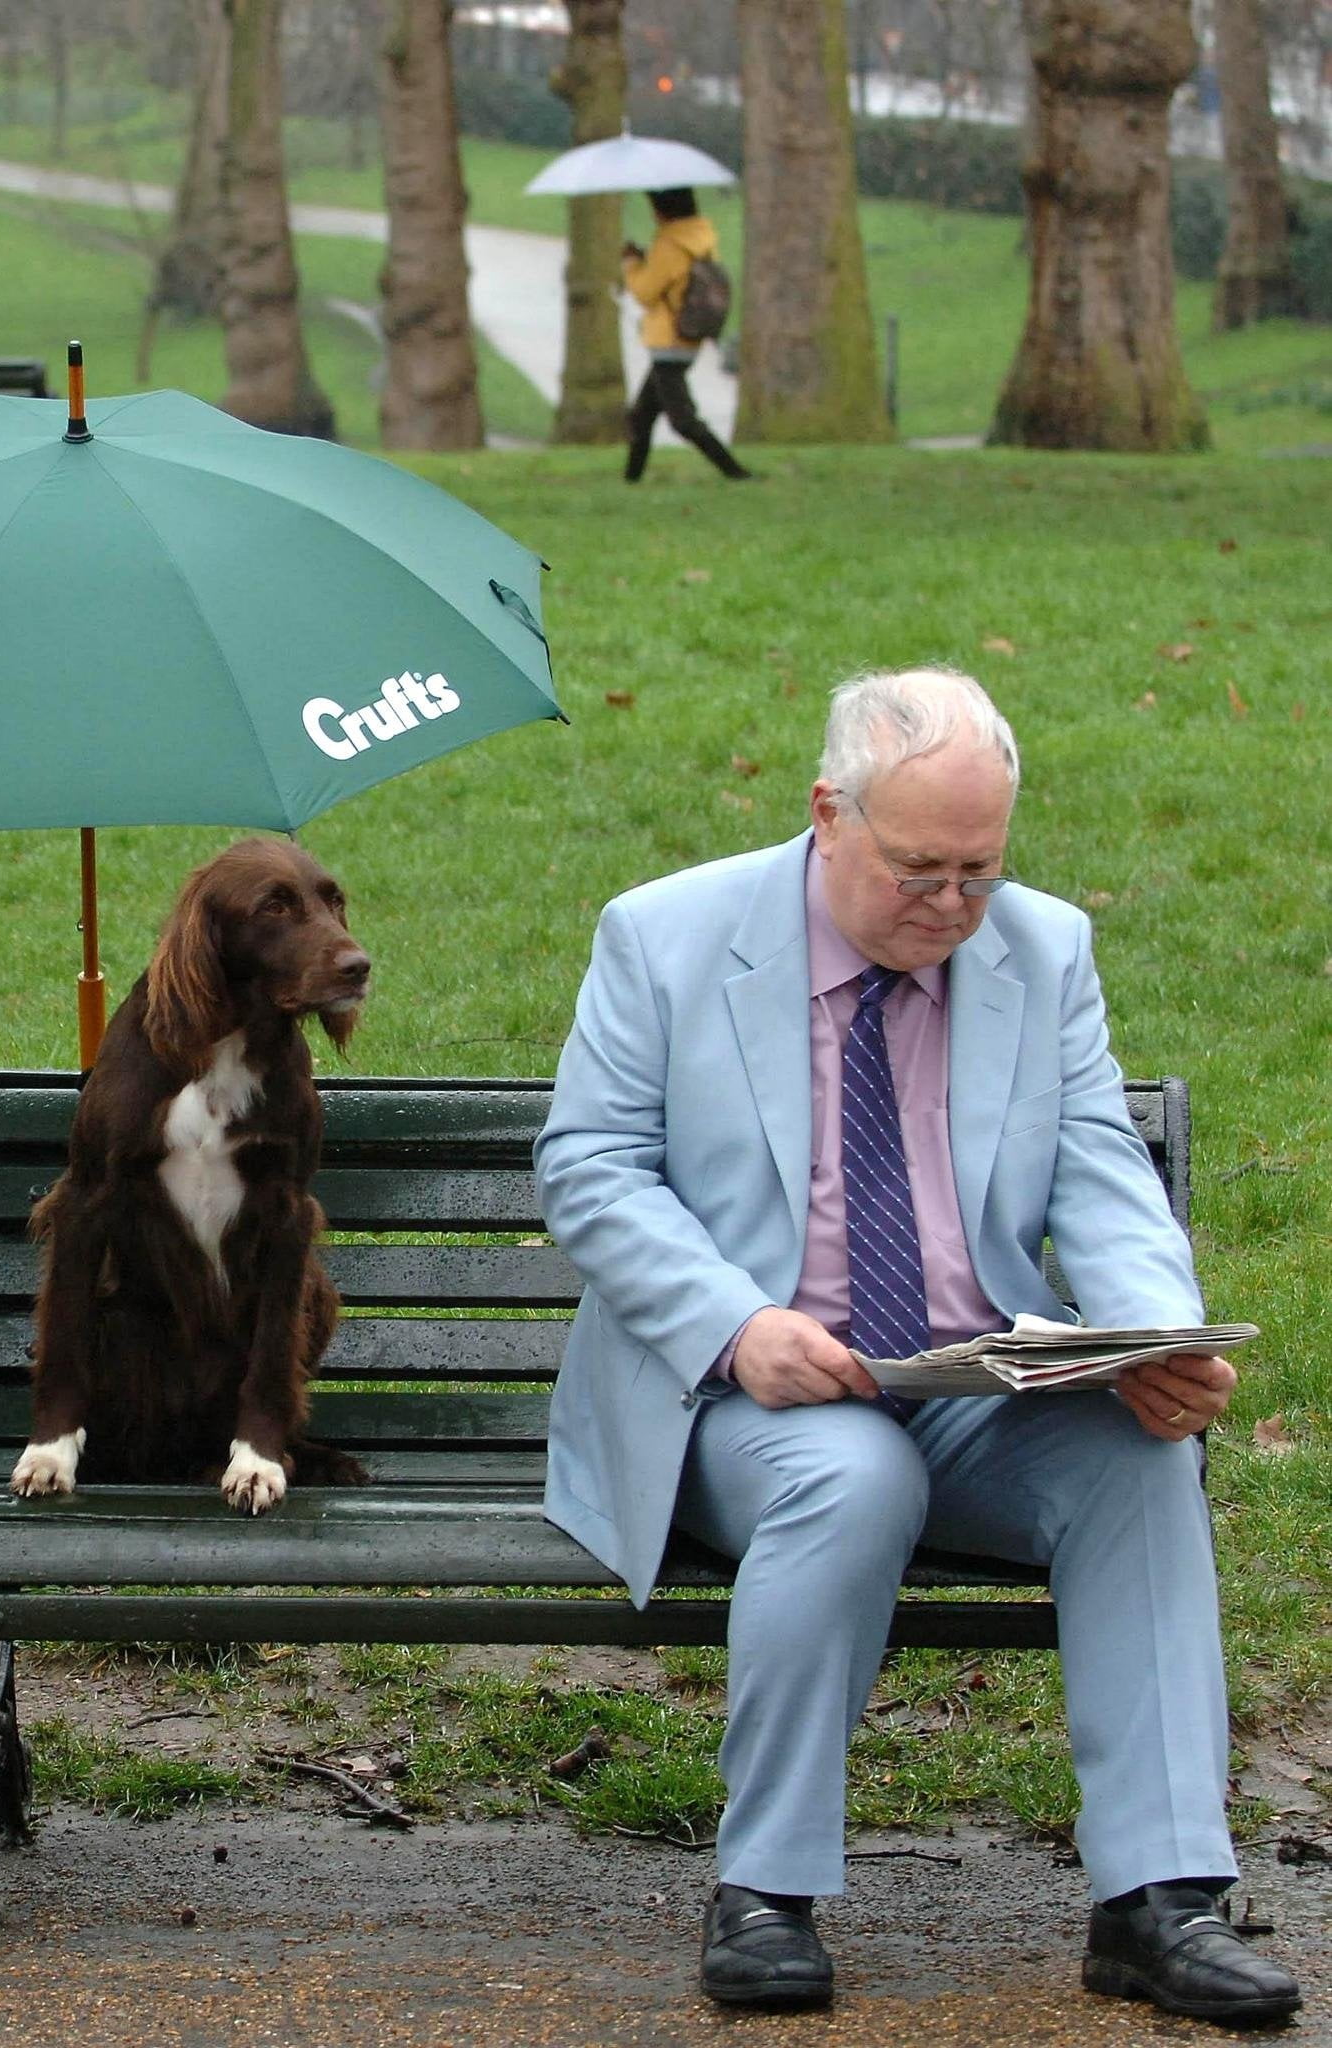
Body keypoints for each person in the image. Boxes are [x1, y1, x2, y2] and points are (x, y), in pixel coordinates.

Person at [533, 669, 1302, 2025]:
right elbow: (590, 1169)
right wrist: (733, 1324)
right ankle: (762, 1893)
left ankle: (1157, 1900)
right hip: (741, 1393)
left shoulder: (1041, 949)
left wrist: (1152, 1341)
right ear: (826, 815)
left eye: (977, 874)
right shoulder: (665, 936)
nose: (948, 910)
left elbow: (1092, 1169)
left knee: (1137, 1463)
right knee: (848, 1477)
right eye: (915, 873)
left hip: (962, 1378)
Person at [619, 187, 752, 484]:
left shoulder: (668, 243)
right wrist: (646, 259)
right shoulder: (701, 238)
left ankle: (735, 472)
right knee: (641, 415)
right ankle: (631, 479)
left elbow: (645, 292)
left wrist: (630, 264)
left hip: (668, 339)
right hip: (689, 334)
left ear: (662, 209)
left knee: (682, 420)